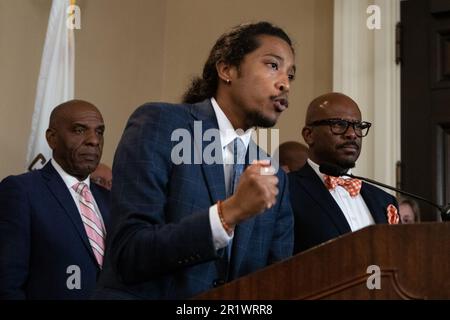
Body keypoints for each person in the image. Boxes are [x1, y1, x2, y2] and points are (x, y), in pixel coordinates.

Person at [95, 21, 295, 299]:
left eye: (290, 75)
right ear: (227, 69)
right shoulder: (161, 124)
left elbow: (276, 282)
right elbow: (129, 253)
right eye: (273, 65)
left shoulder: (275, 176)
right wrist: (228, 214)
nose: (285, 83)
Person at [0, 100, 110, 299]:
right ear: (52, 138)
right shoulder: (22, 192)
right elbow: (7, 284)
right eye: (79, 130)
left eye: (99, 132)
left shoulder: (111, 200)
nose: (94, 140)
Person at [288, 92, 399, 254]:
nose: (352, 134)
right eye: (339, 125)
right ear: (309, 135)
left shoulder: (385, 200)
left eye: (358, 126)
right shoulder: (286, 191)